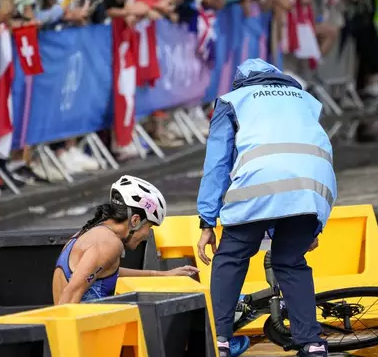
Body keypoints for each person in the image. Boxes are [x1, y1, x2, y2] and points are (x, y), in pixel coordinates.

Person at [196, 58, 337, 357]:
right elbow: (320, 153)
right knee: (290, 260)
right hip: (313, 190)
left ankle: (220, 340)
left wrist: (207, 221)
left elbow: (217, 164)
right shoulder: (306, 100)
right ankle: (312, 344)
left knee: (231, 256)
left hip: (257, 185)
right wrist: (317, 222)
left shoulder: (232, 101)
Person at [53, 175, 199, 304]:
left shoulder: (86, 234)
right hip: (85, 333)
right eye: (149, 226)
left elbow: (105, 271)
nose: (147, 234)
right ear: (135, 220)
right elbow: (70, 295)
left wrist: (163, 275)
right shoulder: (109, 244)